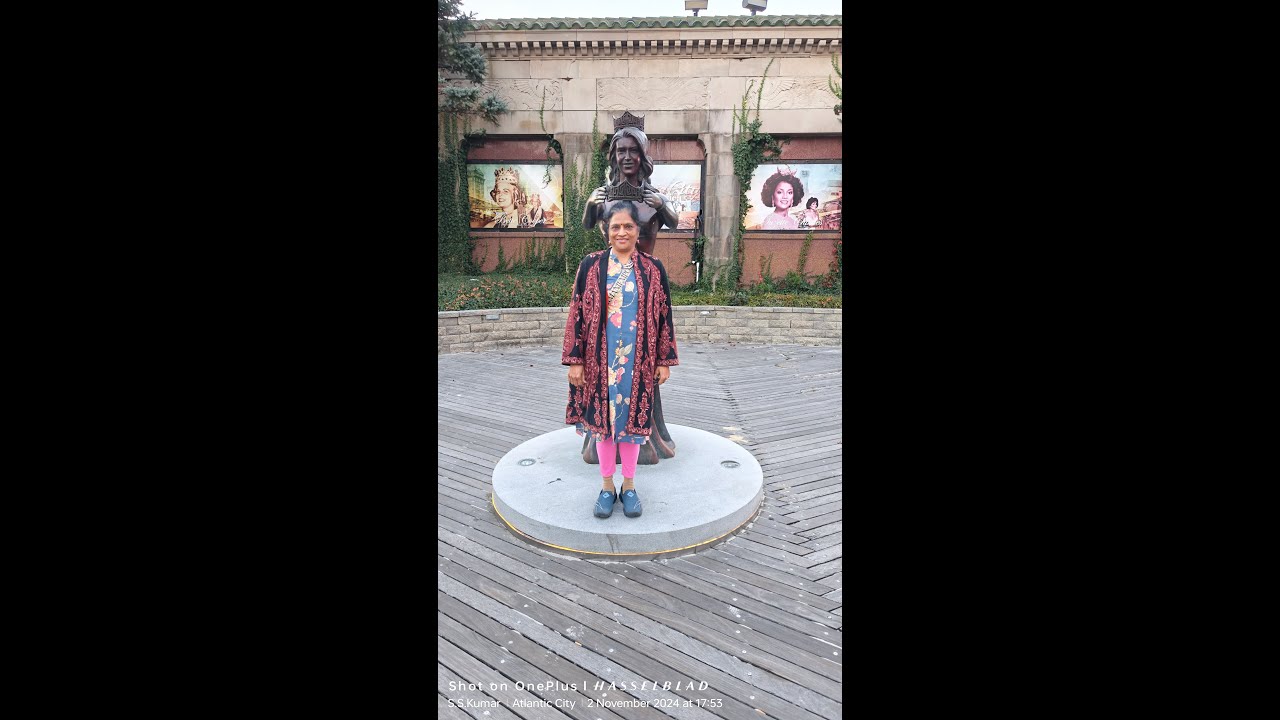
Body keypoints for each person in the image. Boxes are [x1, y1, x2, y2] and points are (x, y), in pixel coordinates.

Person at [563, 199, 678, 519]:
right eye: (616, 227)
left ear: (637, 230)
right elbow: (577, 312)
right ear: (606, 231)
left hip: (637, 364)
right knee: (603, 428)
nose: (622, 232)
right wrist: (575, 359)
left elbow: (664, 314)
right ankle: (606, 487)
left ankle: (628, 486)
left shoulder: (653, 269)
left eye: (628, 226)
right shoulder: (591, 265)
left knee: (631, 427)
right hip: (598, 363)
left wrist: (663, 359)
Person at [583, 122, 678, 256]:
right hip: (613, 272)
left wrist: (662, 206)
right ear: (615, 156)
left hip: (645, 273)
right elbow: (587, 225)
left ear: (642, 155)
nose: (627, 157)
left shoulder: (657, 199)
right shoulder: (601, 197)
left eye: (633, 150)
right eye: (621, 151)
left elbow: (674, 223)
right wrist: (590, 204)